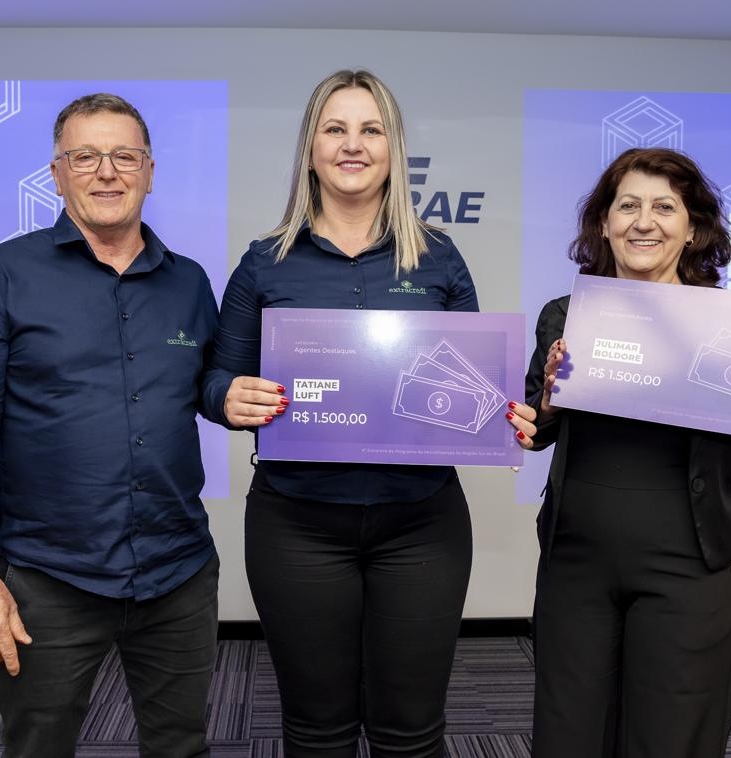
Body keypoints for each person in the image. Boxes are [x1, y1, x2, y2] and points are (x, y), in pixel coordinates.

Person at [202, 69, 535, 757]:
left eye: (370, 129)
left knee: (410, 732)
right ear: (310, 148)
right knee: (315, 730)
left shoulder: (439, 257)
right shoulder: (265, 263)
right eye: (335, 129)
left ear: (393, 149)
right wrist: (227, 399)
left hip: (422, 524)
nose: (352, 144)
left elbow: (473, 384)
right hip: (296, 525)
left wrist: (504, 416)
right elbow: (214, 381)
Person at [521, 147, 731, 758]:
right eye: (628, 206)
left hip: (687, 565)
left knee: (674, 738)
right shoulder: (566, 315)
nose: (643, 222)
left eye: (664, 208)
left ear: (693, 229)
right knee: (569, 734)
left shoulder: (727, 324)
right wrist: (546, 399)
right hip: (576, 564)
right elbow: (537, 427)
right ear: (604, 223)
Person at [0, 93, 222, 758]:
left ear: (149, 171)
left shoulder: (189, 284)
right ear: (56, 174)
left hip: (180, 571)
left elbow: (208, 388)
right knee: (38, 747)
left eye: (124, 156)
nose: (106, 172)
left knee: (182, 745)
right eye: (85, 157)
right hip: (51, 579)